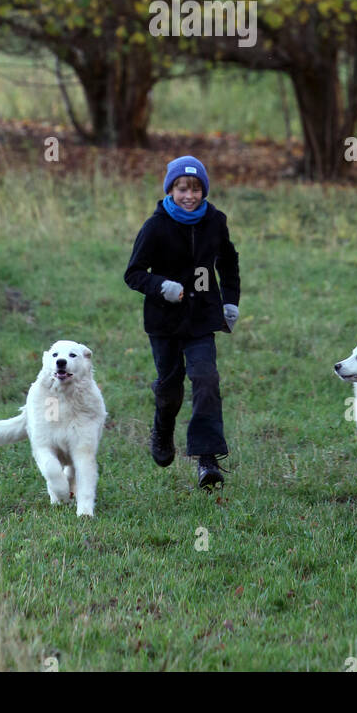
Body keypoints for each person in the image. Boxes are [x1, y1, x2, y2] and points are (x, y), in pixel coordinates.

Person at [124, 155, 240, 488]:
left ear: (203, 190)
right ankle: (162, 428)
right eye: (181, 188)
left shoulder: (215, 221)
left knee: (205, 377)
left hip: (203, 315)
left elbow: (228, 262)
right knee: (171, 388)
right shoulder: (155, 226)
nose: (189, 195)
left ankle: (207, 459)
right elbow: (133, 274)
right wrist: (161, 285)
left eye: (195, 188)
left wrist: (230, 303)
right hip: (164, 321)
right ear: (170, 190)